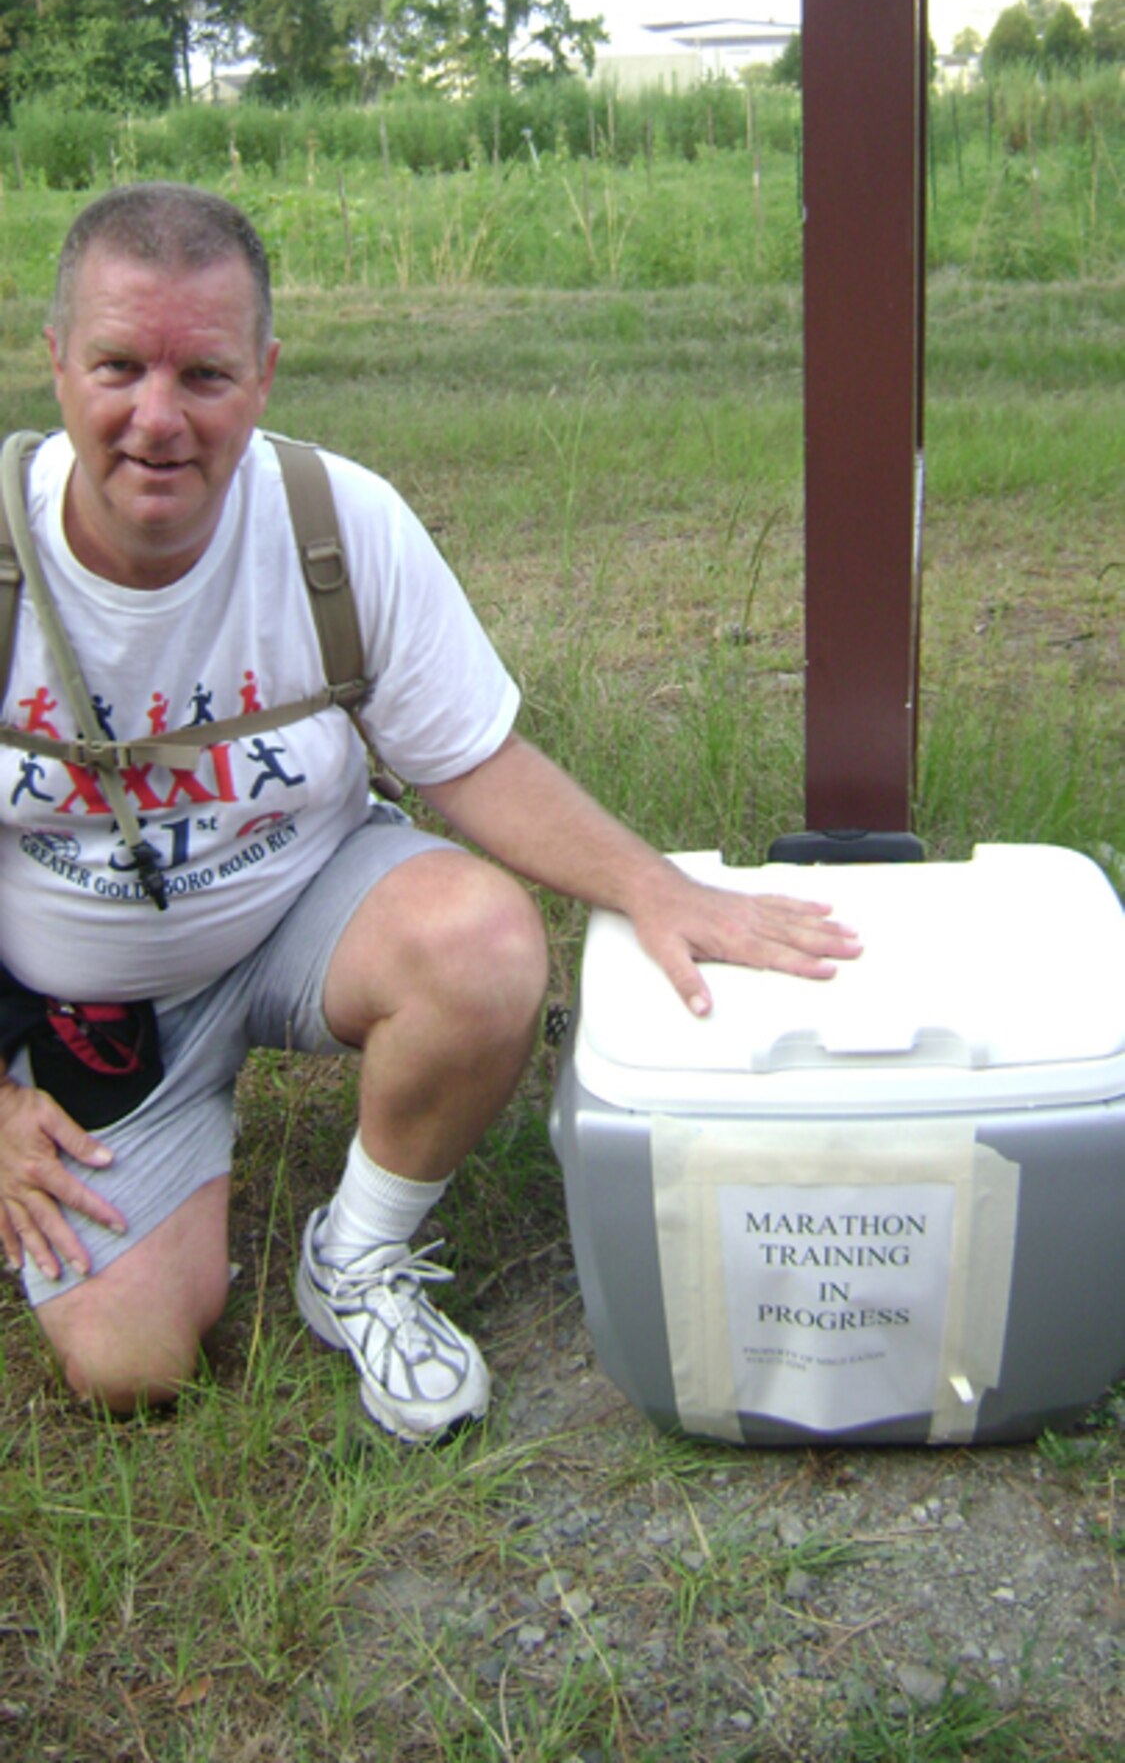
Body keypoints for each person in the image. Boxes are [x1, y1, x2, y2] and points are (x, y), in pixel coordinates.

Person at [0, 184, 861, 1440]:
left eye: (207, 374)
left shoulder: (334, 524)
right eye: (120, 365)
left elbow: (474, 759)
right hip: (90, 999)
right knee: (132, 1364)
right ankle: (106, 1121)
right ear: (55, 361)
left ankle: (357, 1253)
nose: (158, 418)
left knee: (484, 939)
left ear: (268, 373)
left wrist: (655, 885)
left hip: (302, 906)